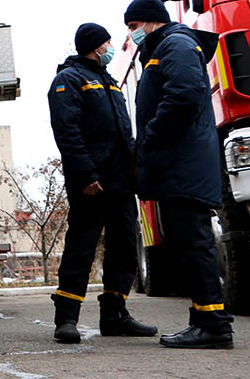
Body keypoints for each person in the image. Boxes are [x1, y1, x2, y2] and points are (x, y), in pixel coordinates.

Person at [125, 0, 235, 350]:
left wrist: (151, 134)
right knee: (189, 244)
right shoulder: (166, 47)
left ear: (152, 20)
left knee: (194, 242)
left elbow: (184, 94)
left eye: (134, 25)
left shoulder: (176, 44)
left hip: (183, 162)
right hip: (180, 162)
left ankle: (213, 325)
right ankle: (204, 320)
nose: (132, 33)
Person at [47, 23, 158, 344]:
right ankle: (66, 319)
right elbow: (67, 131)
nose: (110, 47)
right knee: (81, 249)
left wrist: (136, 171)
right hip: (91, 181)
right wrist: (86, 175)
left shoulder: (108, 81)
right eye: (107, 42)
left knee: (124, 247)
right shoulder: (69, 80)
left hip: (120, 180)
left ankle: (115, 315)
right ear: (95, 46)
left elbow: (123, 132)